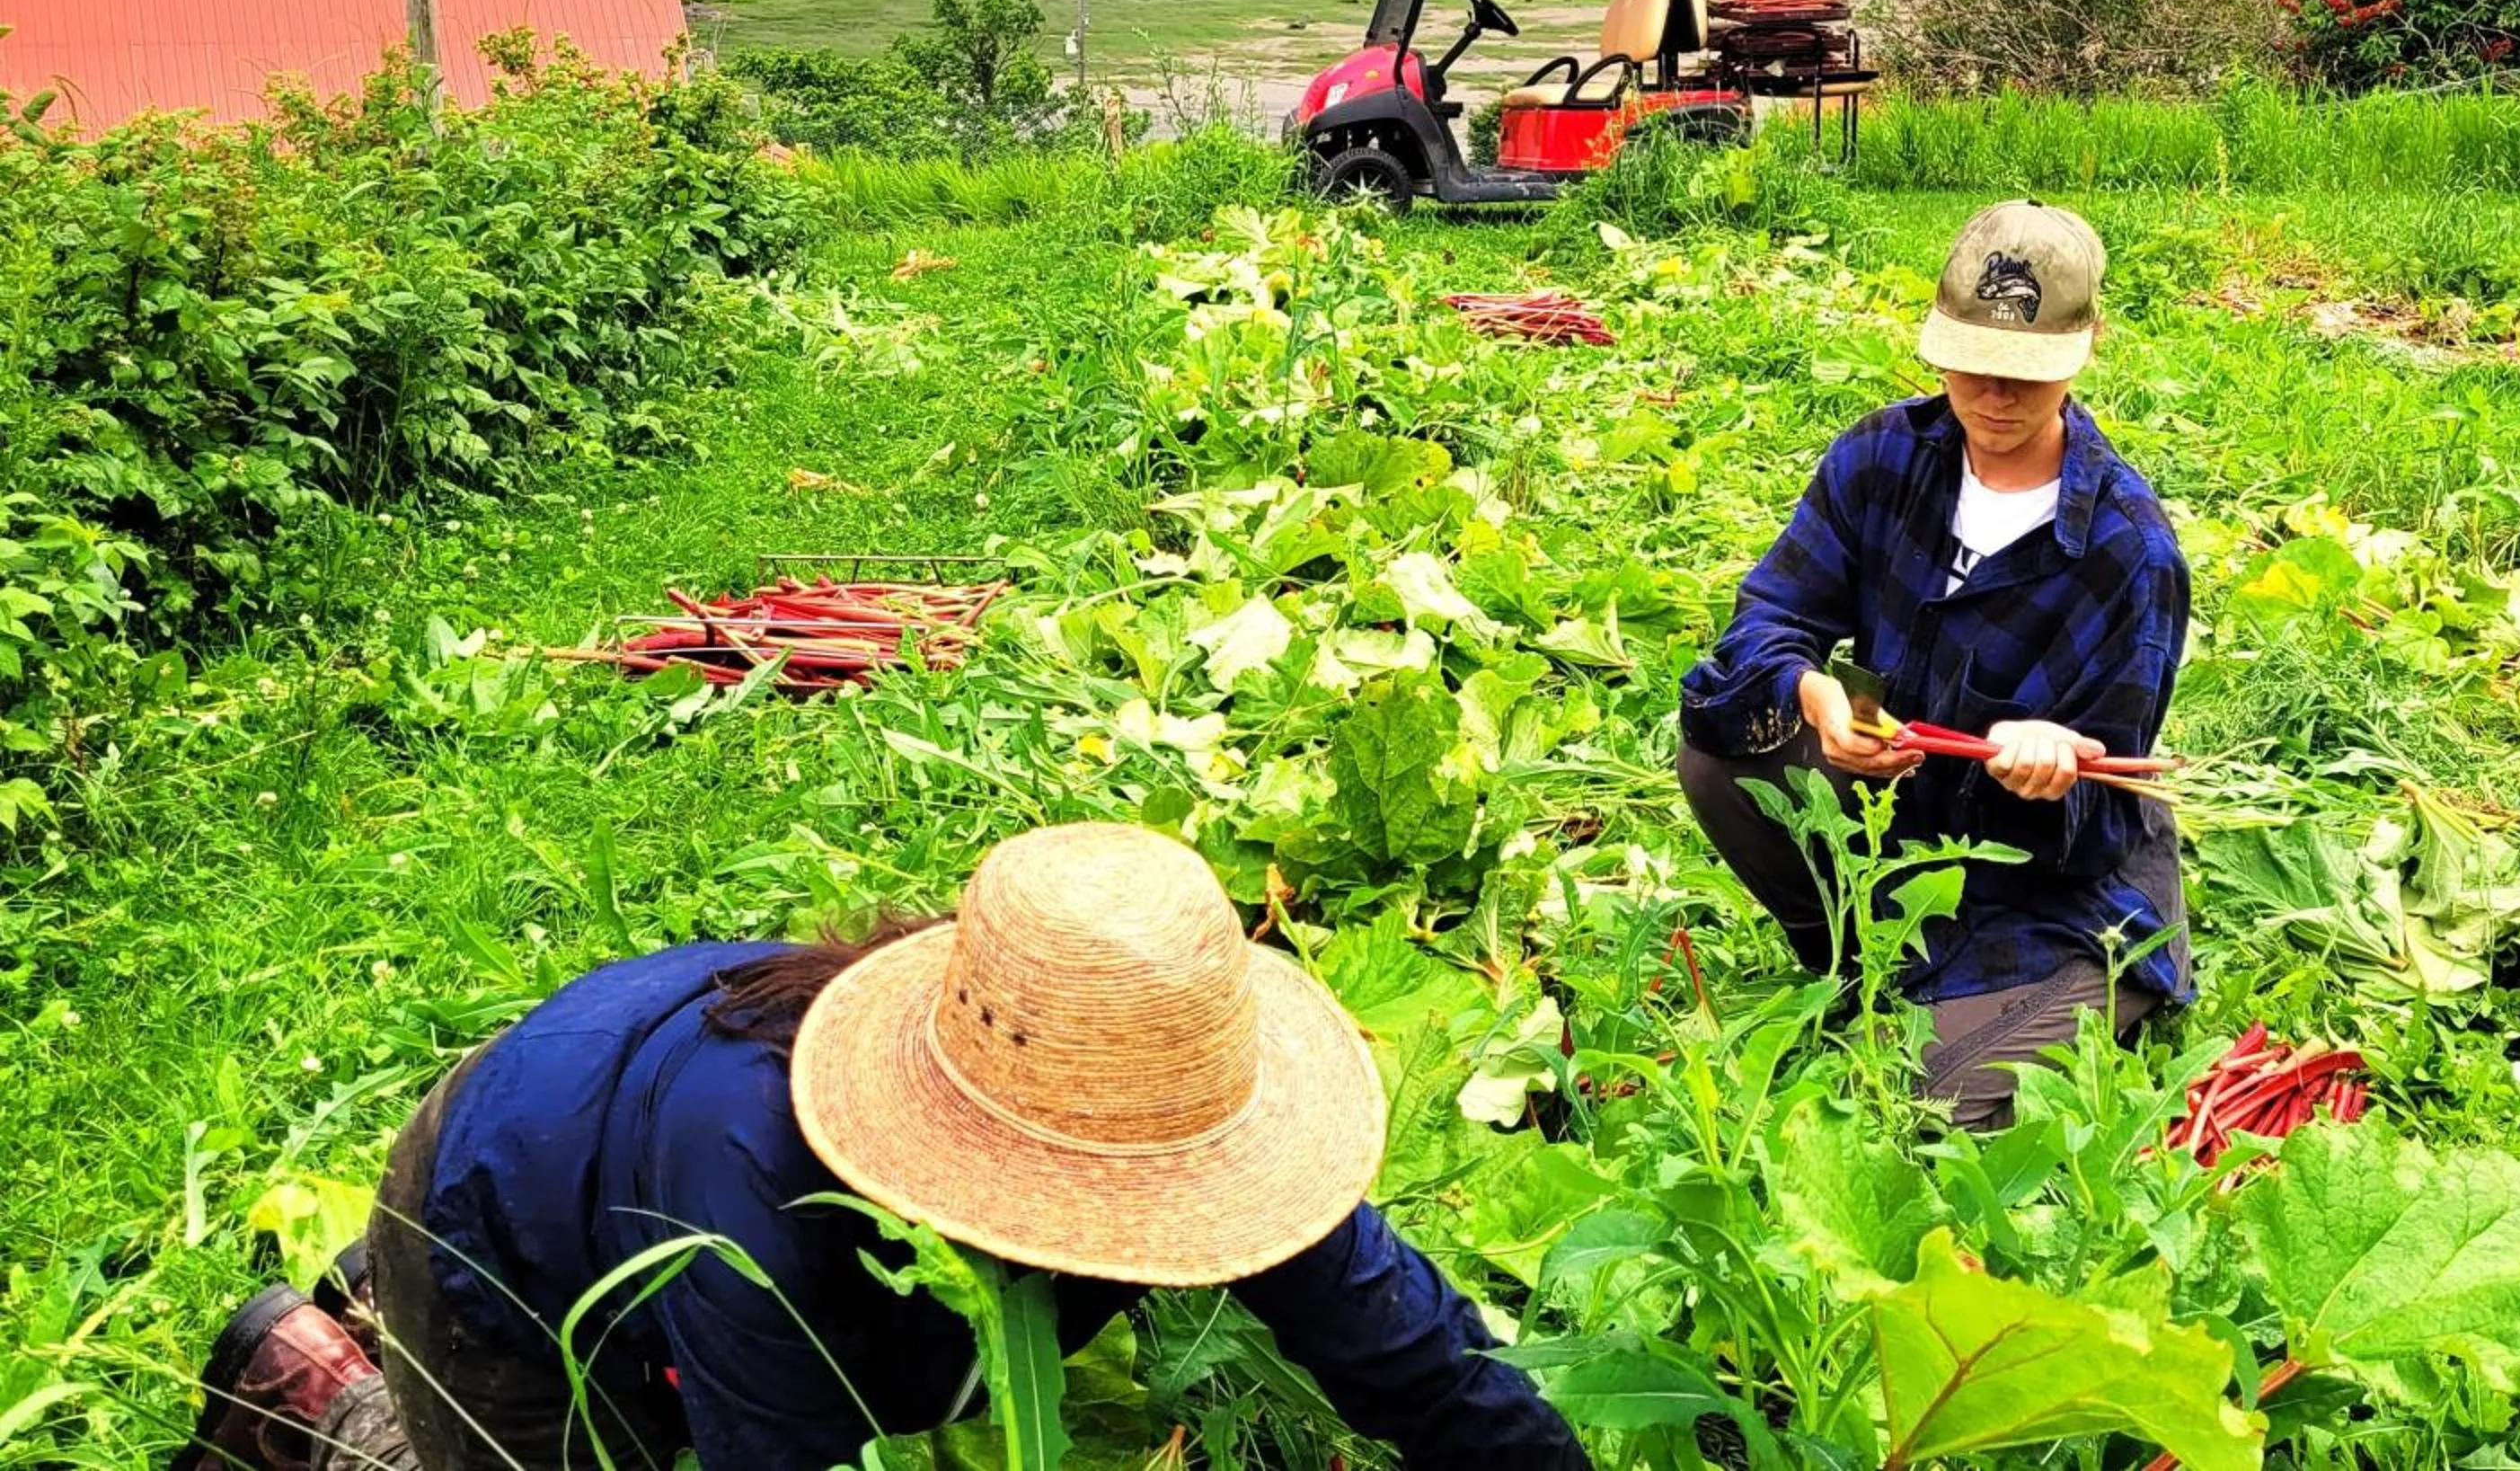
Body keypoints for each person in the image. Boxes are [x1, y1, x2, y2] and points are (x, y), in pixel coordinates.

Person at [177, 822, 1590, 1471]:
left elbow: (1416, 1358)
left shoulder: (1182, 1093)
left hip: (641, 1132)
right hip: (507, 1201)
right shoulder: (764, 1209)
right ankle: (327, 1392)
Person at [1676, 199, 2193, 1131]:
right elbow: (1765, 621)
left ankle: (2042, 998)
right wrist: (1815, 692)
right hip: (1905, 825)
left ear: (2087, 345)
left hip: (2052, 890)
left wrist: (2051, 771)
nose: (1995, 393)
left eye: (2025, 372)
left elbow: (2105, 818)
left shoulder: (2129, 552)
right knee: (1724, 741)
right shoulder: (1882, 459)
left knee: (1928, 1098)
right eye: (1974, 361)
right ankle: (1853, 961)